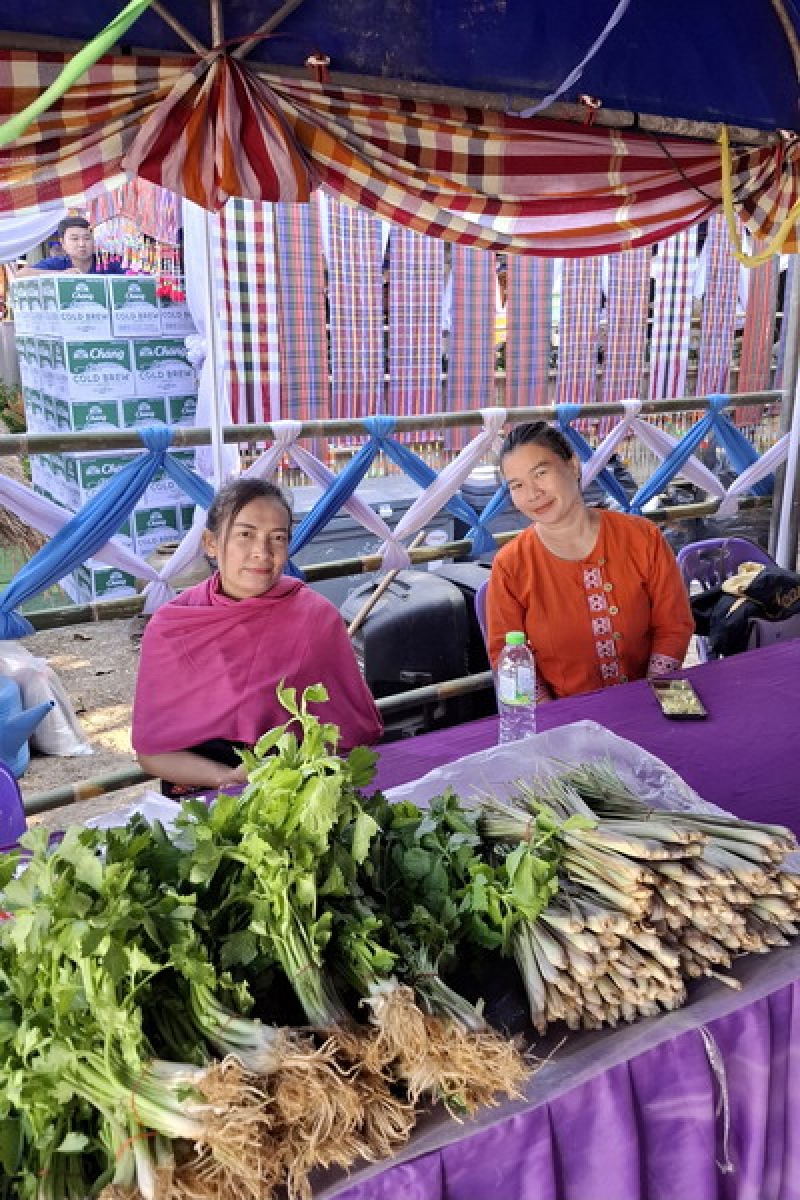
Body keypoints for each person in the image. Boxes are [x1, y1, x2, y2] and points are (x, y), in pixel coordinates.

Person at [132, 478, 383, 794]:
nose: (262, 552)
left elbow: (353, 731)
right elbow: (152, 752)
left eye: (277, 538)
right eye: (245, 535)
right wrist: (226, 779)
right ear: (211, 543)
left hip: (300, 790)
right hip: (203, 792)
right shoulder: (173, 626)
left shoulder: (316, 617)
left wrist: (287, 770)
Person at [486, 421, 694, 701]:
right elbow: (506, 657)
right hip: (566, 718)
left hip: (649, 701)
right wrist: (553, 718)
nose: (533, 494)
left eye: (541, 473)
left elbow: (674, 624)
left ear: (572, 465)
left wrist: (650, 700)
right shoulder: (511, 565)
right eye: (517, 485)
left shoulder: (642, 536)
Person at [17, 216, 125, 276]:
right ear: (63, 243)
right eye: (74, 239)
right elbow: (22, 274)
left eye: (87, 238)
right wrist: (61, 274)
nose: (82, 244)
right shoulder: (58, 263)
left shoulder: (109, 261)